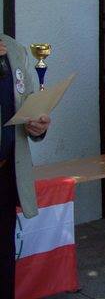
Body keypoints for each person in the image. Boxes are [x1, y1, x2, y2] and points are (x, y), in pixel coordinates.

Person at [0, 35, 51, 299]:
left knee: (4, 256)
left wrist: (38, 125)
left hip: (6, 172)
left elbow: (27, 103)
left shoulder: (14, 49)